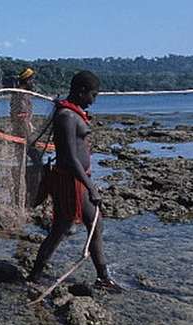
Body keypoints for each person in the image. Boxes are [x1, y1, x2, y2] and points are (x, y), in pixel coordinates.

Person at [27, 71, 123, 292]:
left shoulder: (72, 113)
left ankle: (103, 277)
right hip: (70, 181)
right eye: (93, 95)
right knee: (60, 229)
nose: (94, 100)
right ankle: (34, 275)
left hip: (78, 178)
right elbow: (69, 158)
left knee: (94, 225)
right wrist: (91, 187)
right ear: (81, 91)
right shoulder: (66, 117)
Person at [9, 67, 44, 208]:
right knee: (35, 161)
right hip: (22, 134)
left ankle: (22, 191)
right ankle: (29, 192)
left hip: (21, 133)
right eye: (32, 80)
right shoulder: (21, 95)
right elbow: (21, 116)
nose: (33, 82)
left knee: (23, 161)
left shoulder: (21, 93)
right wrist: (29, 131)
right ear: (27, 80)